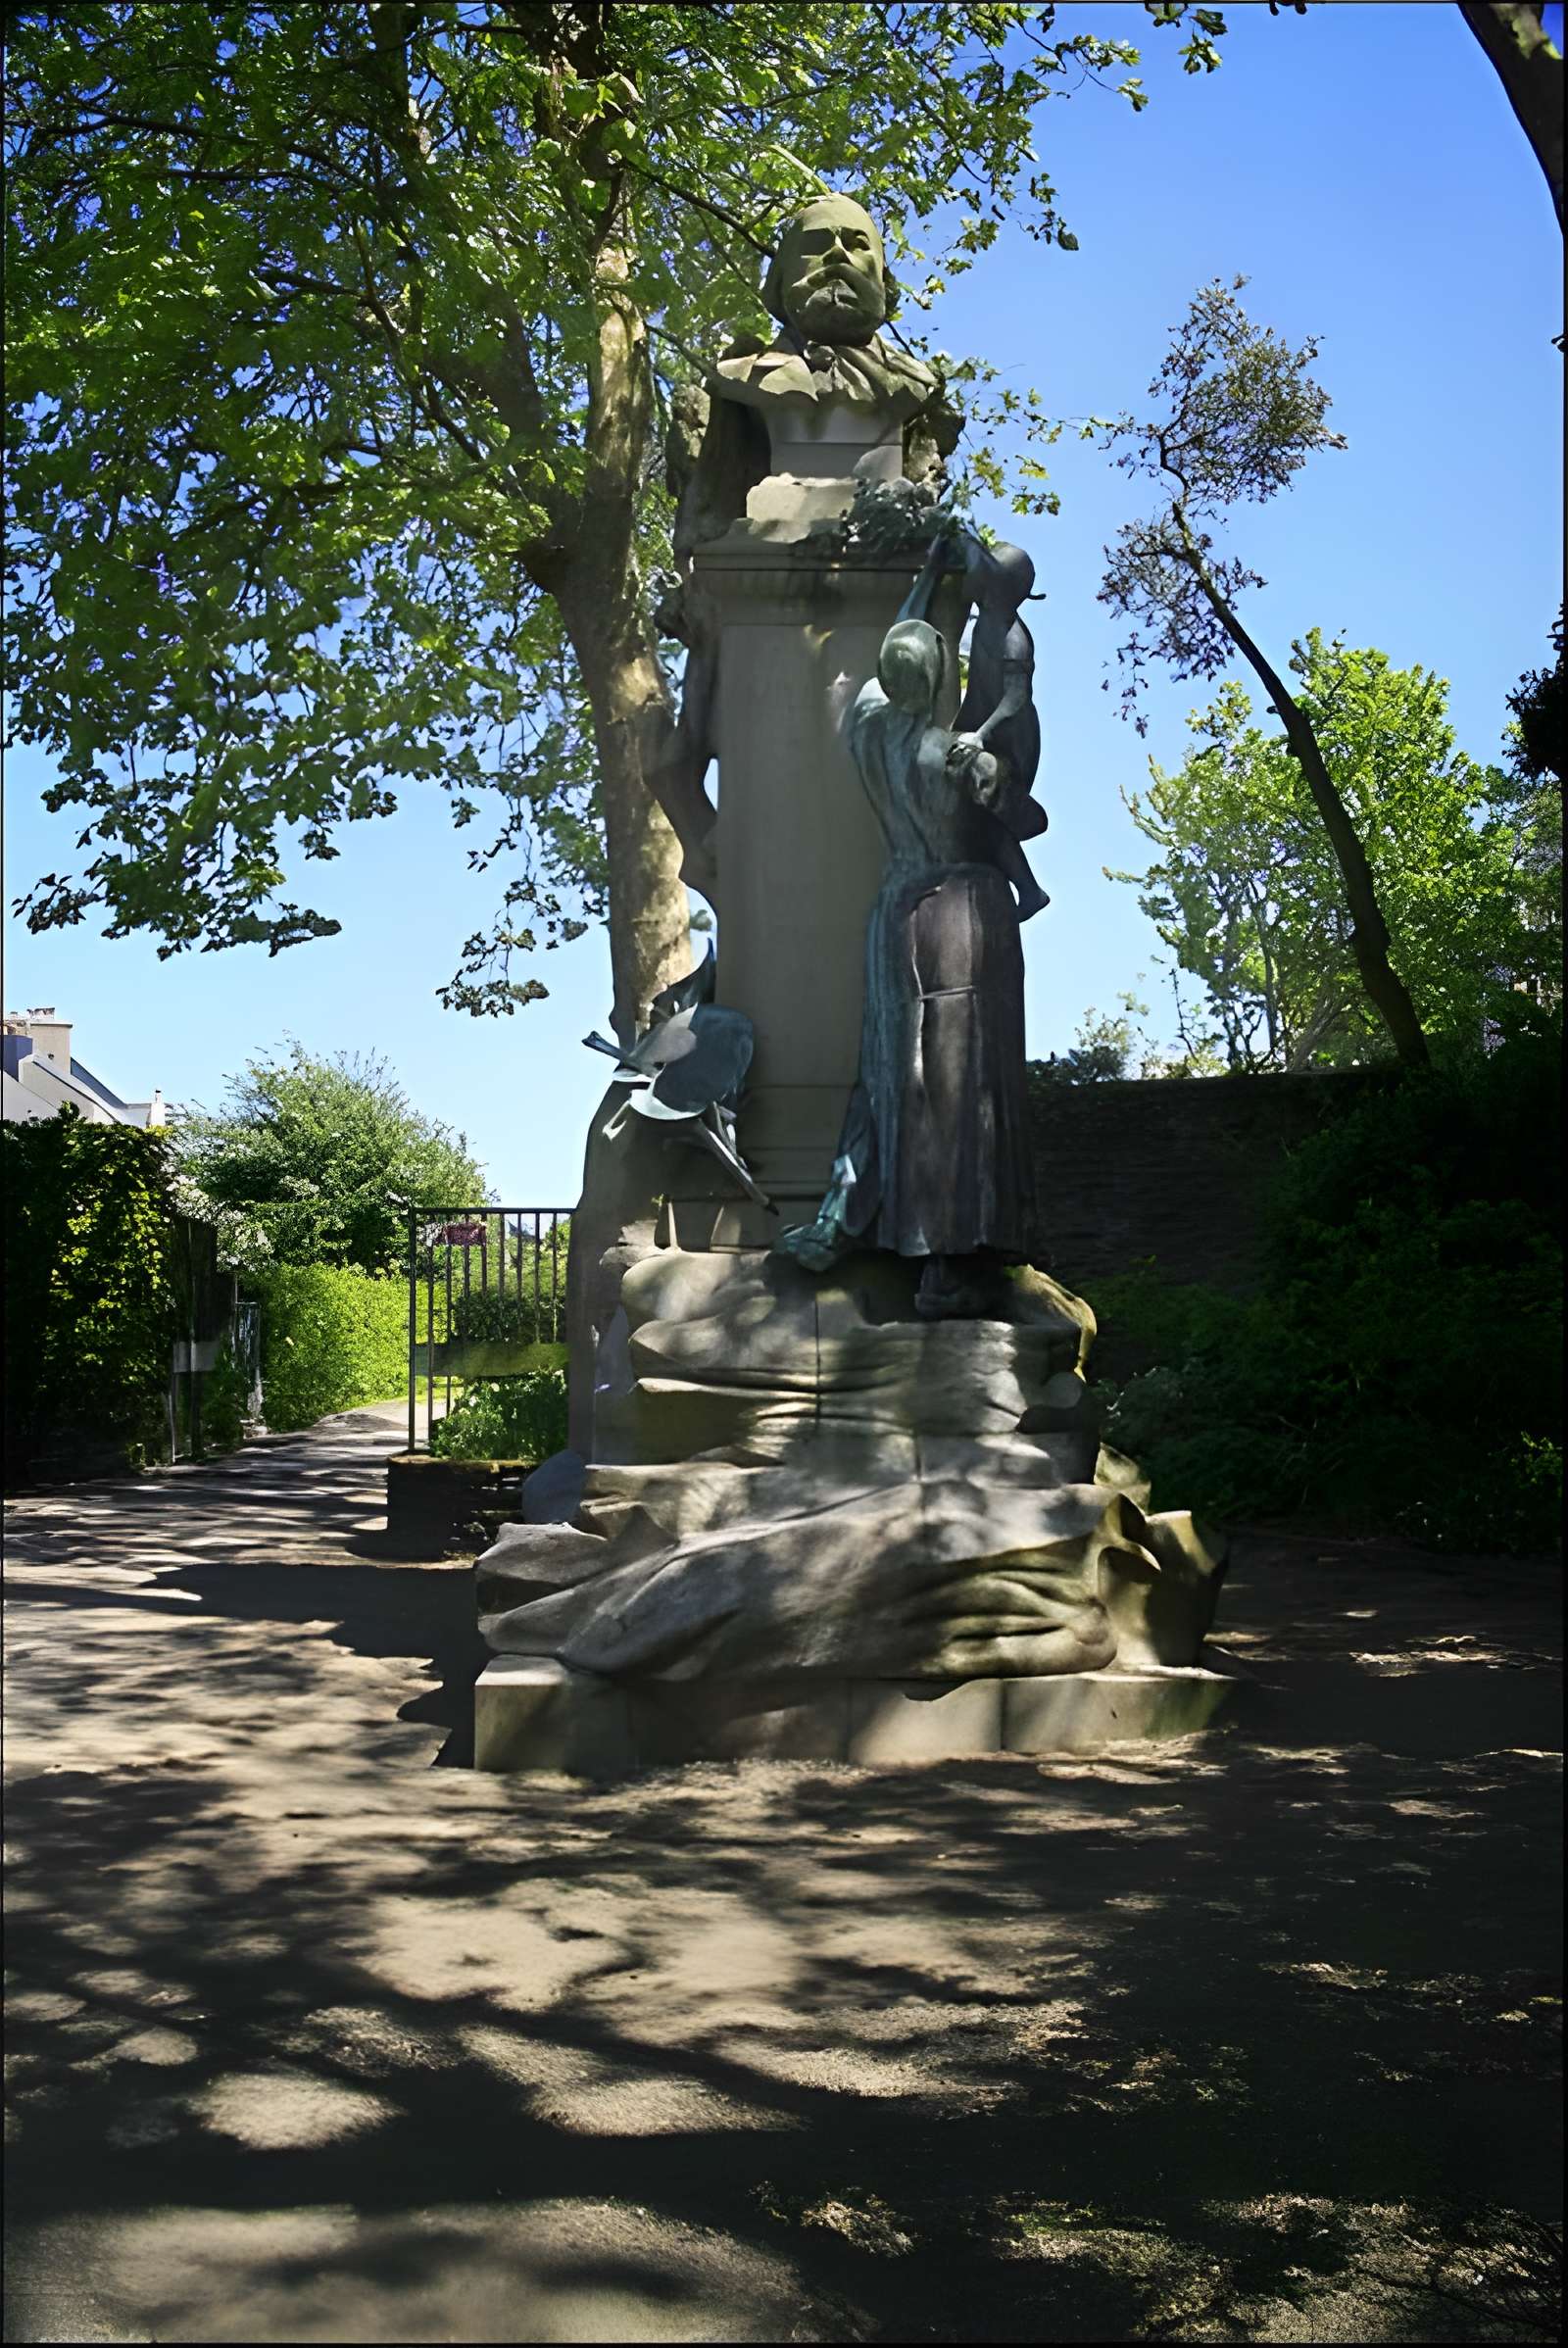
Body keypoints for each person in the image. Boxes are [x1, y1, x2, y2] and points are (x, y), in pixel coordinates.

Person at [775, 610, 1037, 1317]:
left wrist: (924, 578)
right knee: (959, 1088)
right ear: (941, 672)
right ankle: (948, 1267)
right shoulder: (959, 757)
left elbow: (879, 672)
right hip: (961, 917)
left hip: (896, 915)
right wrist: (997, 742)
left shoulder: (868, 734)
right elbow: (1027, 818)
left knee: (893, 1078)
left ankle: (852, 1218)